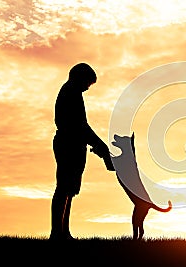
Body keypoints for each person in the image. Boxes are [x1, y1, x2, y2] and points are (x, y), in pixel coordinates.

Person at [49, 62, 113, 241]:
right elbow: (80, 126)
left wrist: (97, 144)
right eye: (87, 83)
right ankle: (57, 233)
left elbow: (81, 127)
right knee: (63, 188)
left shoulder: (72, 92)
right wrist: (100, 145)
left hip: (74, 144)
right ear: (80, 77)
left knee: (69, 190)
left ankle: (63, 232)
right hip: (68, 144)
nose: (87, 88)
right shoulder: (71, 93)